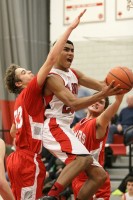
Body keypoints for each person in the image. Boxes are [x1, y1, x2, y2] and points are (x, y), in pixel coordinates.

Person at [4, 10, 86, 200]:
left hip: (18, 157)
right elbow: (50, 59)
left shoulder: (19, 102)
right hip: (27, 159)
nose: (30, 71)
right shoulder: (30, 91)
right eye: (24, 72)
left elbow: (14, 130)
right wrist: (70, 29)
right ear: (19, 83)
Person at [41, 35, 122, 199]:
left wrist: (119, 84)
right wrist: (102, 94)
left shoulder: (74, 73)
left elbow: (101, 84)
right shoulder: (52, 77)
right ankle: (51, 196)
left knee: (99, 175)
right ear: (55, 52)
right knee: (83, 160)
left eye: (72, 50)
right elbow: (73, 103)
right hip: (53, 126)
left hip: (65, 128)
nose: (70, 53)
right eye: (66, 49)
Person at [71, 94, 124, 200]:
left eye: (101, 102)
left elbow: (109, 112)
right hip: (77, 177)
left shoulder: (98, 123)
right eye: (95, 100)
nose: (96, 103)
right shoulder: (77, 126)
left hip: (94, 178)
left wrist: (119, 98)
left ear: (104, 109)